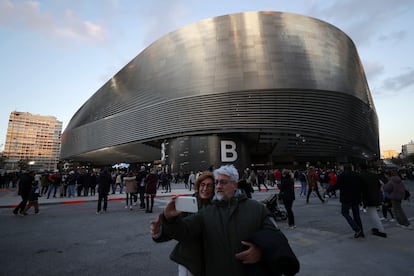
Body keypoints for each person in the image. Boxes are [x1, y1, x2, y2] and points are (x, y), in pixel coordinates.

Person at [160, 164, 300, 275]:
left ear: (235, 185)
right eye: (217, 182)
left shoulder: (257, 209)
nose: (218, 186)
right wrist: (170, 219)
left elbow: (276, 238)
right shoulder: (206, 212)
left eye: (223, 182)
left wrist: (261, 252)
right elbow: (184, 231)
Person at [151, 171, 216, 276]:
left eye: (209, 186)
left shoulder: (219, 207)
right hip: (188, 260)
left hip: (211, 260)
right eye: (202, 185)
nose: (205, 189)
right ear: (198, 186)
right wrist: (159, 231)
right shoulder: (188, 204)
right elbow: (176, 229)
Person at [332, 164, 364, 238]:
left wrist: (328, 190)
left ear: (344, 168)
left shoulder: (341, 176)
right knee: (356, 215)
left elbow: (337, 185)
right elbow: (361, 185)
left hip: (346, 198)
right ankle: (361, 232)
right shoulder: (357, 175)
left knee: (345, 213)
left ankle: (356, 229)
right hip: (356, 197)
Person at [359, 164, 387, 237]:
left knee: (373, 213)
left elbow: (360, 188)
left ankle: (381, 231)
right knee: (372, 213)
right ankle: (376, 228)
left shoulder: (361, 176)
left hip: (368, 197)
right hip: (376, 195)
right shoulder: (374, 175)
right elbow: (379, 184)